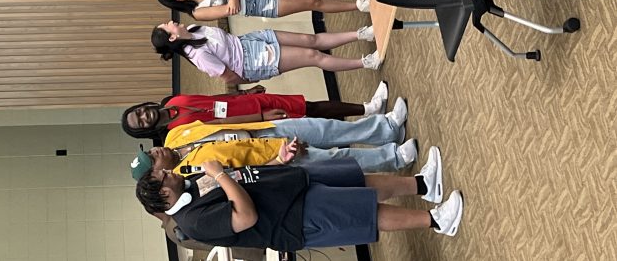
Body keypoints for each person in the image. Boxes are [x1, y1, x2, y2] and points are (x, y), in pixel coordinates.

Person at [135, 151, 462, 249]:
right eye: (161, 177)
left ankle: (421, 185)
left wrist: (278, 160)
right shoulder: (193, 221)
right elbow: (245, 217)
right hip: (290, 215)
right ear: (162, 195)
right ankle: (436, 221)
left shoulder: (190, 186)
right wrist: (219, 174)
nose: (166, 172)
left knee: (357, 181)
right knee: (363, 211)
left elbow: (241, 178)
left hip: (288, 184)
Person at [130, 125, 418, 178]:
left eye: (149, 151)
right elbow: (238, 174)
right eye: (151, 159)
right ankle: (395, 158)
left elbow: (215, 123)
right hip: (273, 159)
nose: (155, 151)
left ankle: (386, 129)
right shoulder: (188, 175)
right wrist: (278, 160)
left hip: (259, 132)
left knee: (326, 129)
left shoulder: (174, 136)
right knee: (335, 159)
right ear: (157, 172)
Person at [120, 83, 390, 140]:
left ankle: (368, 108)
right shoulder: (176, 131)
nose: (144, 115)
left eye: (139, 111)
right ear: (146, 130)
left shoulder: (171, 100)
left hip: (248, 102)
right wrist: (260, 118)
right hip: (253, 120)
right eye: (141, 121)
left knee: (309, 106)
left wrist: (243, 94)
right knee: (312, 123)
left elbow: (211, 100)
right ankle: (374, 126)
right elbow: (223, 126)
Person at [150, 18, 379, 76]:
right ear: (172, 38)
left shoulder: (194, 28)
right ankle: (366, 63)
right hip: (251, 61)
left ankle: (360, 34)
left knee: (309, 40)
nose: (171, 22)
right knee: (313, 56)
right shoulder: (198, 56)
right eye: (167, 26)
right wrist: (251, 81)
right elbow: (229, 77)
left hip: (248, 41)